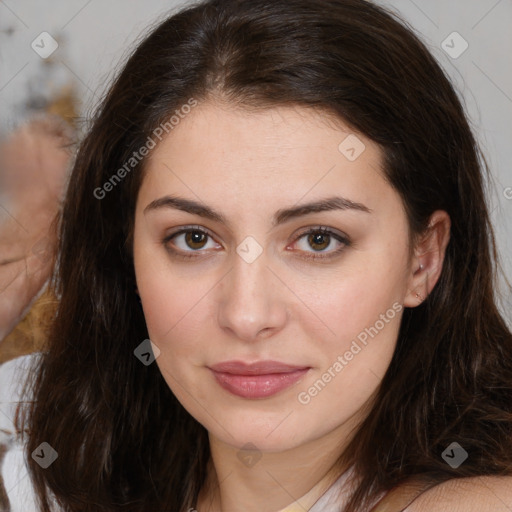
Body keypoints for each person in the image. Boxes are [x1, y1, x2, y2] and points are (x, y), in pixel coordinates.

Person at [3, 0, 512, 510]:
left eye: (319, 240)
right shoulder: (48, 446)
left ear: (423, 260)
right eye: (194, 239)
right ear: (126, 251)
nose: (246, 315)